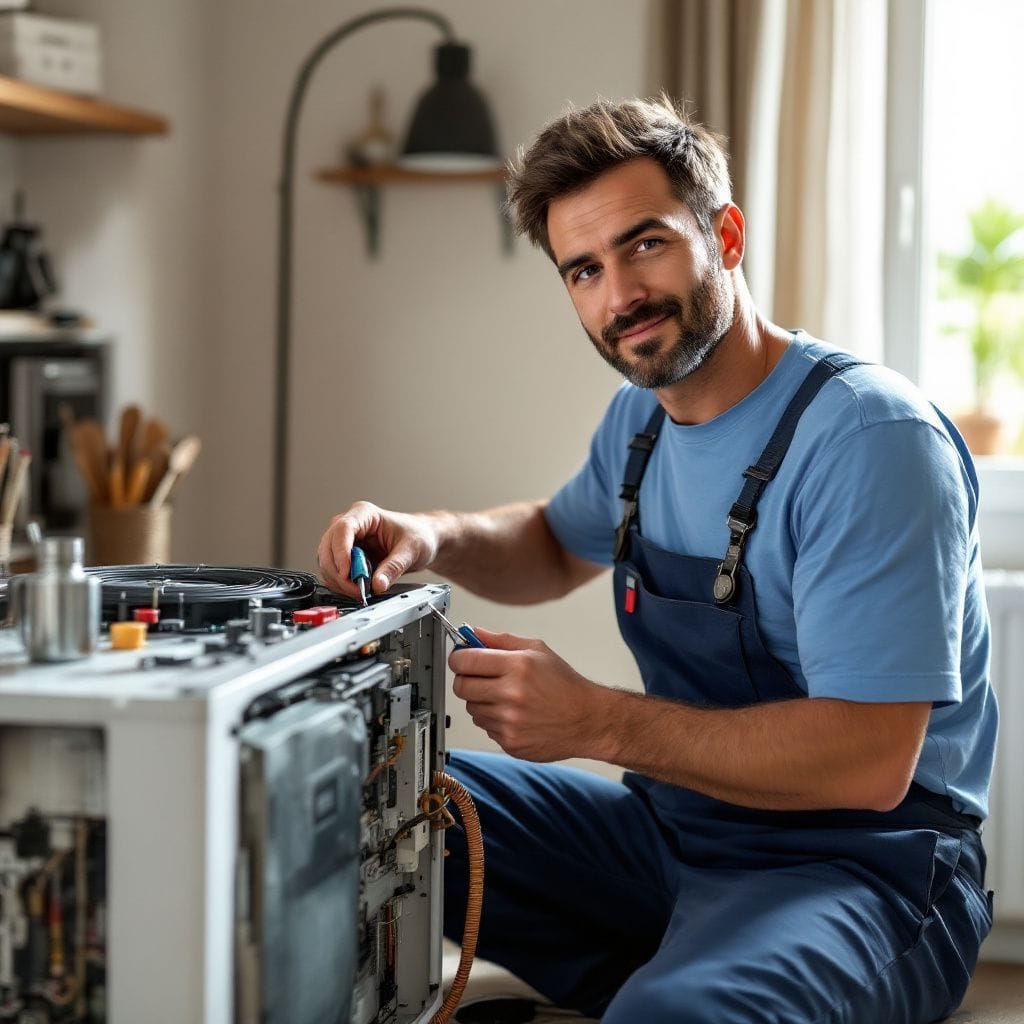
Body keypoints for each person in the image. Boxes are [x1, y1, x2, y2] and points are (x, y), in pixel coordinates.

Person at [317, 96, 997, 1024]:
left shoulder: (869, 440)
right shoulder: (643, 418)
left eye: (646, 245)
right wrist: (432, 534)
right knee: (372, 799)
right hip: (676, 835)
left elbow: (870, 760)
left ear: (726, 235)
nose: (621, 296)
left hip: (867, 868)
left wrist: (596, 721)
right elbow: (552, 544)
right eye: (585, 270)